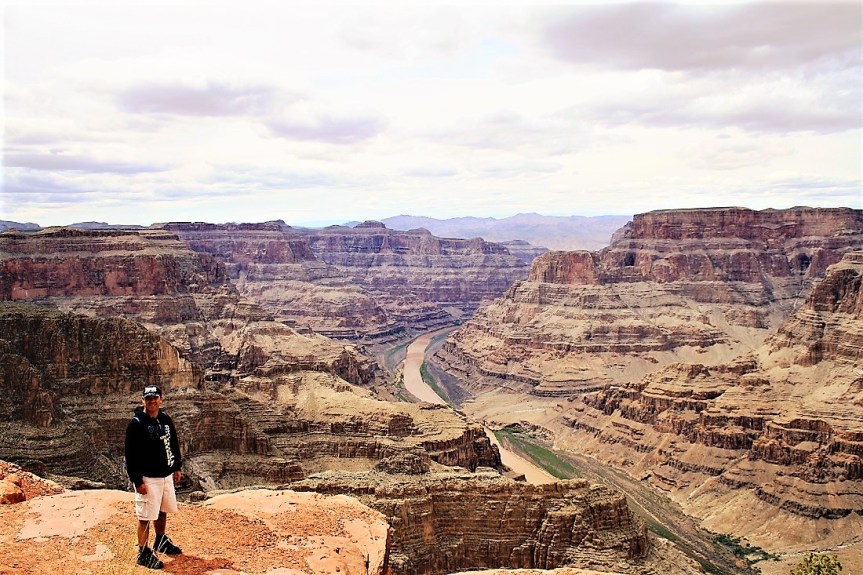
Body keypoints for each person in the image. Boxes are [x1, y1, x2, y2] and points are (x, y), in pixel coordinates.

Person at [124, 384, 183, 569]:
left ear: (160, 400)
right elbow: (130, 455)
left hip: (165, 475)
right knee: (145, 516)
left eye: (155, 398)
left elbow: (173, 442)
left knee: (162, 510)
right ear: (143, 400)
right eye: (148, 398)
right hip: (148, 478)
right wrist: (137, 480)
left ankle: (160, 541)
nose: (152, 401)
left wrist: (177, 466)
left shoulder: (165, 419)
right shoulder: (136, 424)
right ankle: (143, 553)